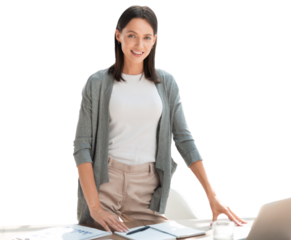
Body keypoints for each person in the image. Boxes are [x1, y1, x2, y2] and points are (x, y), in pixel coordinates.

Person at [73, 3, 247, 235]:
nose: (139, 45)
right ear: (118, 35)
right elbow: (81, 145)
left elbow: (184, 139)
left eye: (146, 37)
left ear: (155, 39)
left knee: (173, 236)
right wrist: (94, 207)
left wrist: (212, 195)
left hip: (145, 189)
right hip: (106, 182)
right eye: (132, 36)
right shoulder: (97, 82)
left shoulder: (166, 82)